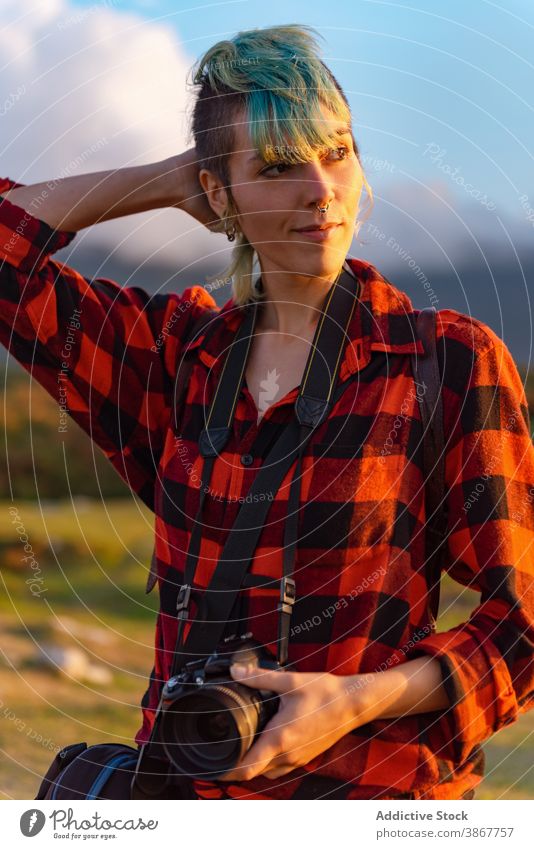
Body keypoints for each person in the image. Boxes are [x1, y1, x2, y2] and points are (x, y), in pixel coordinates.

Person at [0, 23, 532, 801]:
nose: (321, 189)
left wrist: (351, 701)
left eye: (338, 150)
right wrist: (171, 175)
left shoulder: (445, 363)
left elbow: (521, 627)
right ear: (217, 194)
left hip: (373, 799)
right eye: (280, 165)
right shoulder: (177, 358)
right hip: (188, 792)